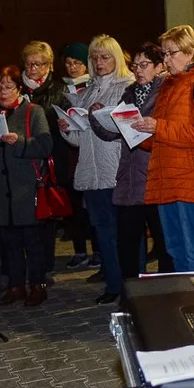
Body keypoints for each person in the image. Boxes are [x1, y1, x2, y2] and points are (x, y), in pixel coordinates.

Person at [135, 25, 194, 273]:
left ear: (190, 52)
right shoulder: (170, 83)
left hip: (190, 178)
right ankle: (187, 304)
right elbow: (163, 133)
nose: (166, 59)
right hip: (165, 177)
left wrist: (158, 127)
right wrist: (138, 134)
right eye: (164, 54)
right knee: (174, 250)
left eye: (172, 53)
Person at [59, 34, 133, 305]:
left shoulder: (128, 86)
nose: (99, 62)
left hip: (116, 169)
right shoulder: (87, 91)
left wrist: (104, 116)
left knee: (124, 233)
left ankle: (132, 286)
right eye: (94, 57)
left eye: (105, 57)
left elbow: (129, 130)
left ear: (116, 58)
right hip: (91, 170)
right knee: (102, 231)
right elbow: (80, 139)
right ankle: (113, 284)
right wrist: (68, 129)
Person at [0, 66, 53, 307]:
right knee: (9, 244)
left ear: (19, 88)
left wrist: (20, 142)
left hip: (26, 189)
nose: (2, 92)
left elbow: (46, 145)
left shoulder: (32, 111)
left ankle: (37, 285)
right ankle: (15, 285)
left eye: (8, 87)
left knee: (33, 242)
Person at [88, 42, 167, 279]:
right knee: (127, 240)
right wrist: (97, 117)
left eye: (144, 65)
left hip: (154, 174)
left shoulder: (165, 91)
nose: (138, 70)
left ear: (159, 66)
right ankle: (131, 290)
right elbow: (113, 134)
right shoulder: (130, 92)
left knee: (163, 241)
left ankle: (166, 291)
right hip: (129, 177)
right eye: (135, 66)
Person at [21, 41, 72, 280]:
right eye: (29, 63)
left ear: (49, 65)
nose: (33, 69)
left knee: (45, 214)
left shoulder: (59, 89)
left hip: (49, 158)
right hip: (20, 158)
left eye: (39, 64)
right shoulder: (15, 86)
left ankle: (45, 265)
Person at [58, 42, 97, 269]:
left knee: (90, 208)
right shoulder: (64, 89)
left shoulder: (93, 86)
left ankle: (97, 251)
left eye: (77, 63)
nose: (72, 68)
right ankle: (79, 250)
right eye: (69, 63)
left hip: (89, 151)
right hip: (69, 155)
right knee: (73, 207)